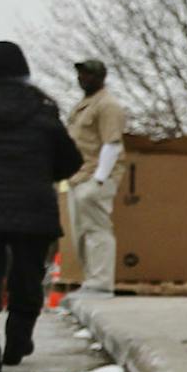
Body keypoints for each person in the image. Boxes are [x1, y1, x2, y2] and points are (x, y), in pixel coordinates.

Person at [0, 43, 83, 372]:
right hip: (33, 208)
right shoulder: (44, 112)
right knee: (27, 276)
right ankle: (17, 340)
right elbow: (71, 161)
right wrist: (43, 174)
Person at [66, 57, 125, 294]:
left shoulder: (108, 105)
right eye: (80, 74)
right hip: (79, 176)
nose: (83, 78)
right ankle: (91, 279)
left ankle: (100, 282)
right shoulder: (86, 104)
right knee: (81, 233)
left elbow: (112, 143)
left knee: (97, 230)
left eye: (88, 74)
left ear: (100, 77)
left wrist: (99, 179)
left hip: (96, 175)